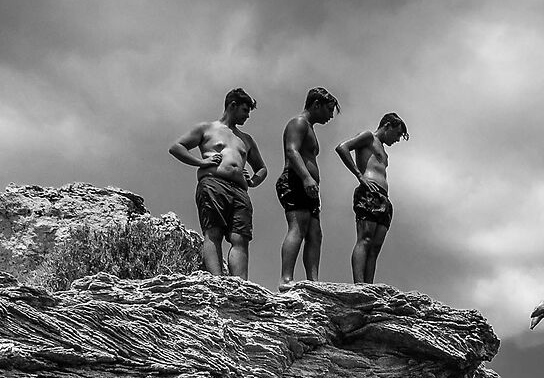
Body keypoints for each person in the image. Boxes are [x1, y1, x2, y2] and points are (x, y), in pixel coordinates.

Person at [167, 89, 268, 280]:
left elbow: (262, 168)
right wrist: (201, 162)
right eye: (245, 110)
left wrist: (253, 181)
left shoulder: (246, 139)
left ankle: (241, 284)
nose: (247, 115)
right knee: (214, 231)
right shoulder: (207, 129)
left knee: (241, 238)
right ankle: (216, 280)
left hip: (239, 190)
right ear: (233, 105)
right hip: (213, 183)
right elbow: (177, 147)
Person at [278, 86, 340, 286]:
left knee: (315, 233)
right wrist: (306, 177)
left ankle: (313, 282)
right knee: (298, 226)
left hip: (309, 188)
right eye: (329, 109)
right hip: (295, 180)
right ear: (316, 104)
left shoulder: (310, 128)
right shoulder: (299, 123)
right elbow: (292, 151)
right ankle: (286, 279)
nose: (331, 115)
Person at [336, 112, 408, 284]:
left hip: (383, 198)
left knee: (375, 247)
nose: (397, 139)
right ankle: (359, 284)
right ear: (387, 126)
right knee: (365, 239)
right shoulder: (368, 137)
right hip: (369, 193)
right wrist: (359, 176)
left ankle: (369, 287)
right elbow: (342, 147)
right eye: (397, 134)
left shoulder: (383, 150)